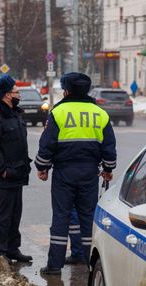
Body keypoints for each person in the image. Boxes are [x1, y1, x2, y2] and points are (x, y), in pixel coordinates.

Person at [36, 72, 116, 275]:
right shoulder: (100, 113)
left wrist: (42, 167)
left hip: (64, 173)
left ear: (67, 90)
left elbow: (47, 143)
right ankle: (89, 260)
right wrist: (107, 169)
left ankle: (54, 265)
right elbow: (108, 146)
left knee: (61, 217)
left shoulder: (59, 112)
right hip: (90, 173)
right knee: (88, 217)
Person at [0, 74, 33, 264]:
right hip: (5, 174)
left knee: (15, 212)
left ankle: (12, 248)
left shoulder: (15, 114)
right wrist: (2, 169)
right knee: (3, 214)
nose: (19, 94)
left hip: (17, 172)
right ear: (6, 95)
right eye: (16, 91)